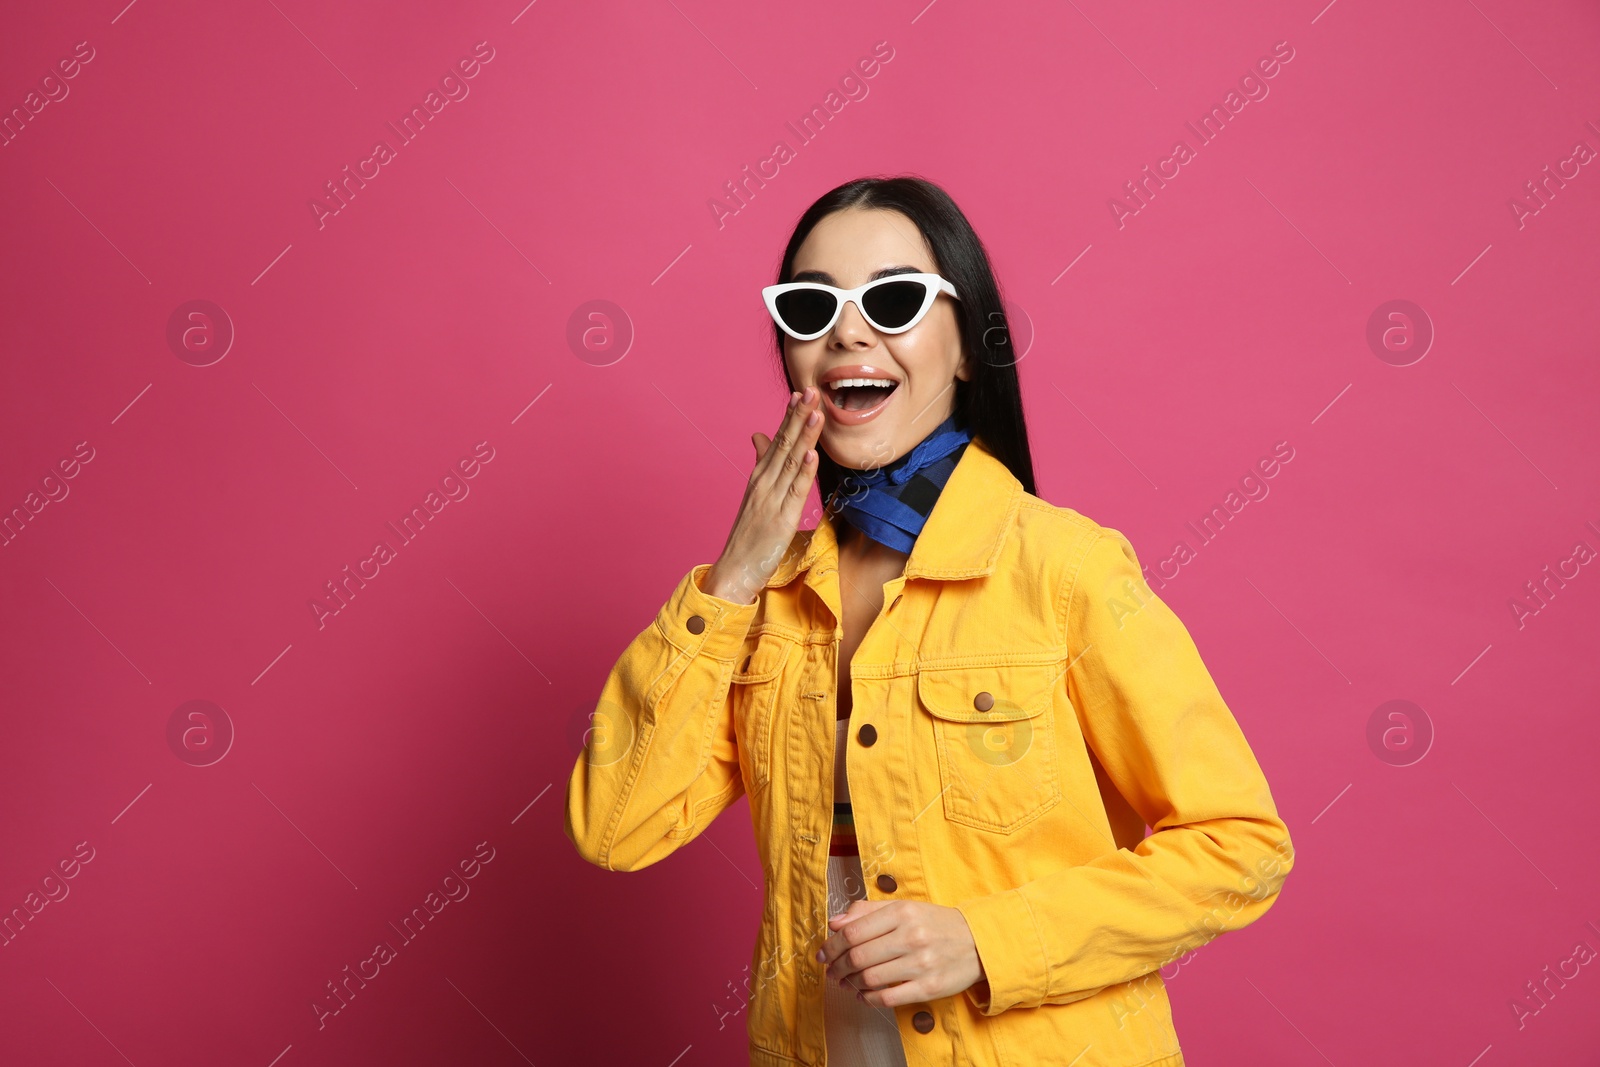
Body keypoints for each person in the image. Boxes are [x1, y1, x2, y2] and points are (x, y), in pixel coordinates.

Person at [565, 175, 1294, 1067]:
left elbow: (1240, 845)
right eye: (810, 305)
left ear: (967, 353)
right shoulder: (759, 608)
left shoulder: (1064, 569)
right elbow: (616, 825)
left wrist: (987, 941)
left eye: (894, 298)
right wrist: (734, 579)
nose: (846, 332)